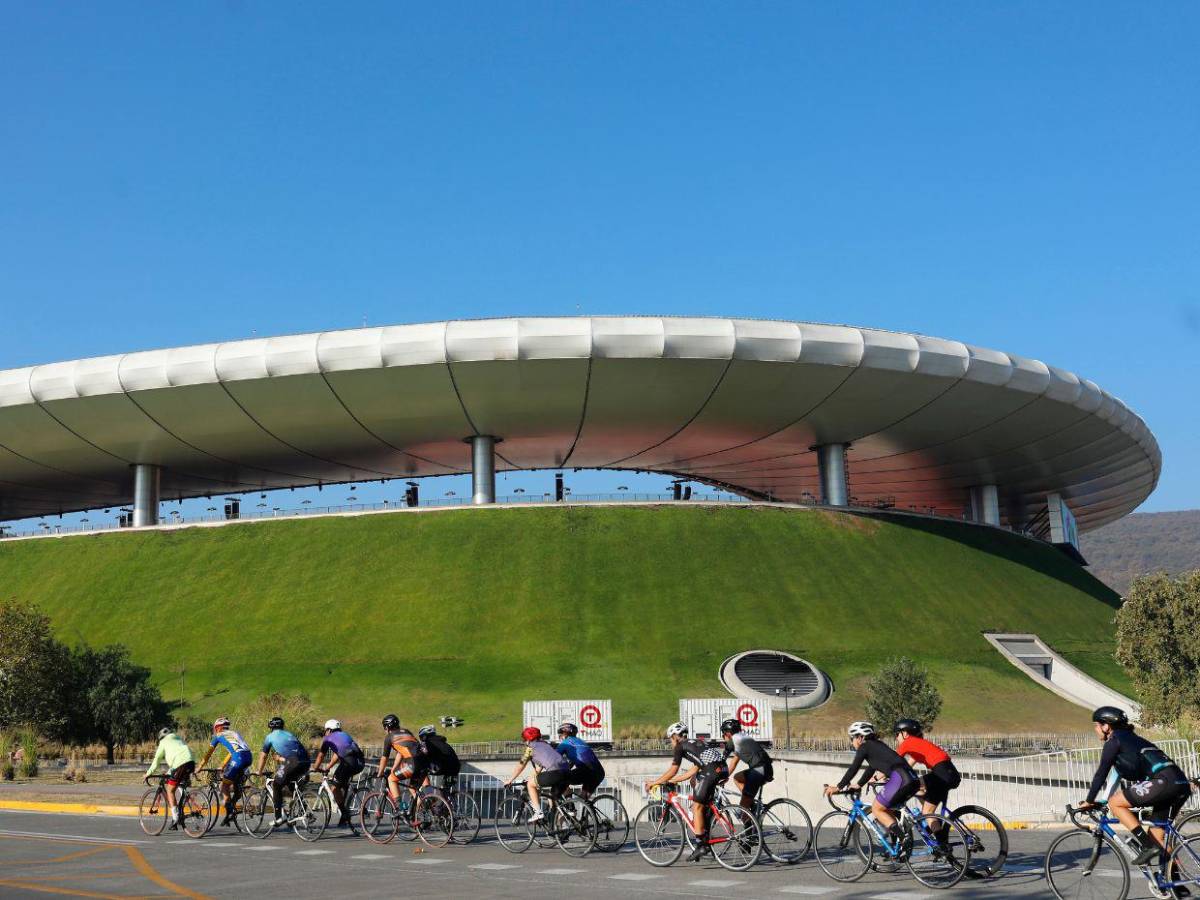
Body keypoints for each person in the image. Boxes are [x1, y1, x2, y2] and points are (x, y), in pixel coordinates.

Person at [1078, 706, 1192, 865]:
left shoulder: (1114, 741)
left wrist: (1089, 800)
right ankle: (1176, 887)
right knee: (1158, 839)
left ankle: (1146, 846)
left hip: (1164, 782)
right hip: (1179, 783)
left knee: (1116, 803)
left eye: (1096, 725)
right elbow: (1115, 775)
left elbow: (1101, 773)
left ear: (1106, 726)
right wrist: (1102, 801)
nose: (1096, 729)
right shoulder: (1132, 740)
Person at [643, 721, 729, 862]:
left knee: (696, 806)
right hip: (722, 770)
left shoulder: (680, 746)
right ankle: (705, 836)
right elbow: (693, 770)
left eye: (670, 738)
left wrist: (654, 782)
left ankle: (701, 845)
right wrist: (674, 780)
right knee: (702, 802)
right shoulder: (695, 743)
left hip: (712, 771)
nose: (671, 742)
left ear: (676, 736)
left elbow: (673, 770)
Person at [824, 721, 919, 847]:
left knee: (876, 808)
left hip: (899, 778)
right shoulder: (876, 745)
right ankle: (898, 847)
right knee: (886, 809)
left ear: (860, 737)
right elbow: (872, 767)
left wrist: (838, 786)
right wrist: (859, 785)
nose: (852, 742)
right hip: (912, 779)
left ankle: (903, 838)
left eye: (852, 738)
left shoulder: (864, 746)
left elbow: (854, 767)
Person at [503, 726, 571, 824]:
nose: (525, 742)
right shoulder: (545, 744)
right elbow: (539, 767)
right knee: (554, 798)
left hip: (555, 773)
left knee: (530, 784)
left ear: (527, 739)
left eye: (524, 740)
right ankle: (561, 828)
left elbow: (521, 765)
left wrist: (510, 780)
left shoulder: (530, 748)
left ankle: (538, 812)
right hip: (567, 771)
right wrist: (532, 777)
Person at [253, 716, 311, 828]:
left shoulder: (269, 737)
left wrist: (259, 771)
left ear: (271, 727)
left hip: (292, 762)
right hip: (306, 761)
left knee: (276, 785)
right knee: (291, 784)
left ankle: (279, 817)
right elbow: (299, 752)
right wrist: (281, 760)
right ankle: (299, 808)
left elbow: (263, 756)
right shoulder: (289, 734)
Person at [195, 717, 253, 826]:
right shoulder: (235, 733)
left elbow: (208, 754)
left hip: (238, 758)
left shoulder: (218, 736)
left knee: (224, 787)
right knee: (236, 785)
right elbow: (232, 751)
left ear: (217, 728)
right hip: (249, 757)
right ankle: (231, 810)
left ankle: (230, 812)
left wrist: (200, 766)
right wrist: (222, 765)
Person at [313, 718, 364, 827]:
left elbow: (321, 755)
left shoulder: (328, 739)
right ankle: (344, 817)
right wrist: (328, 767)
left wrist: (316, 767)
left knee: (335, 788)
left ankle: (345, 814)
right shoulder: (344, 735)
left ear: (329, 730)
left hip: (348, 762)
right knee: (343, 784)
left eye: (325, 731)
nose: (325, 733)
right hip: (360, 762)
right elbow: (338, 753)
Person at [145, 726, 195, 831]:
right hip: (190, 762)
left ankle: (175, 818)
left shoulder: (163, 742)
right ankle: (186, 803)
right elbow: (178, 756)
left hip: (180, 764)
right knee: (179, 783)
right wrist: (168, 772)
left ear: (161, 737)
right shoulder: (177, 738)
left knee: (170, 790)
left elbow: (157, 759)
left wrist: (148, 773)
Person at [721, 717, 773, 811]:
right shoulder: (744, 738)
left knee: (743, 811)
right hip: (767, 768)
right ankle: (752, 804)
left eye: (723, 735)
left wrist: (720, 777)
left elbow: (722, 761)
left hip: (758, 771)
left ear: (727, 733)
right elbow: (734, 761)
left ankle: (749, 819)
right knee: (737, 778)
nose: (723, 738)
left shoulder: (733, 741)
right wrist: (725, 776)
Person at [377, 714, 428, 805]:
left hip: (413, 763)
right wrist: (394, 769)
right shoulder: (406, 732)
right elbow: (400, 753)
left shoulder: (389, 737)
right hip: (424, 762)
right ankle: (421, 812)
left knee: (391, 779)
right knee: (413, 788)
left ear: (388, 727)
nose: (385, 730)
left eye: (385, 728)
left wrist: (380, 773)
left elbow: (384, 758)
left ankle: (400, 807)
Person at [556, 722, 605, 799]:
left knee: (561, 779)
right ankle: (589, 810)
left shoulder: (565, 743)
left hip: (587, 770)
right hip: (599, 772)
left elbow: (554, 757)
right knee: (584, 799)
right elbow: (573, 762)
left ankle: (570, 808)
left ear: (565, 734)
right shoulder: (581, 741)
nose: (560, 737)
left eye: (560, 735)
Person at [418, 725, 461, 793]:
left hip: (442, 768)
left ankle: (429, 795)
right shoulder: (444, 743)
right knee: (444, 792)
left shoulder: (428, 743)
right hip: (455, 768)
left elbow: (422, 755)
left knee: (421, 771)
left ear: (424, 736)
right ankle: (447, 801)